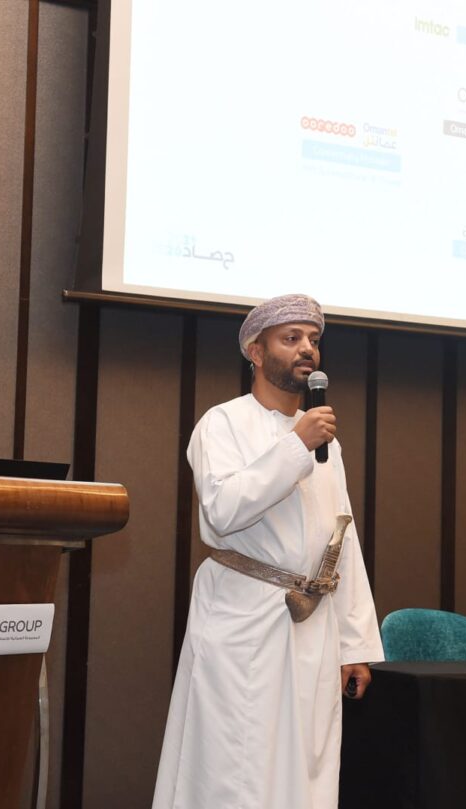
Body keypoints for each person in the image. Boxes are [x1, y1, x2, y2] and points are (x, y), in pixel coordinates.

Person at [153, 293, 384, 809]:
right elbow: (222, 510)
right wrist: (296, 445)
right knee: (236, 765)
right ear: (255, 353)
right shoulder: (223, 424)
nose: (307, 349)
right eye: (291, 338)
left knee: (307, 765)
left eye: (314, 340)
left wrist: (355, 646)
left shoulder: (328, 443)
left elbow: (341, 542)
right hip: (243, 620)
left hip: (313, 629)